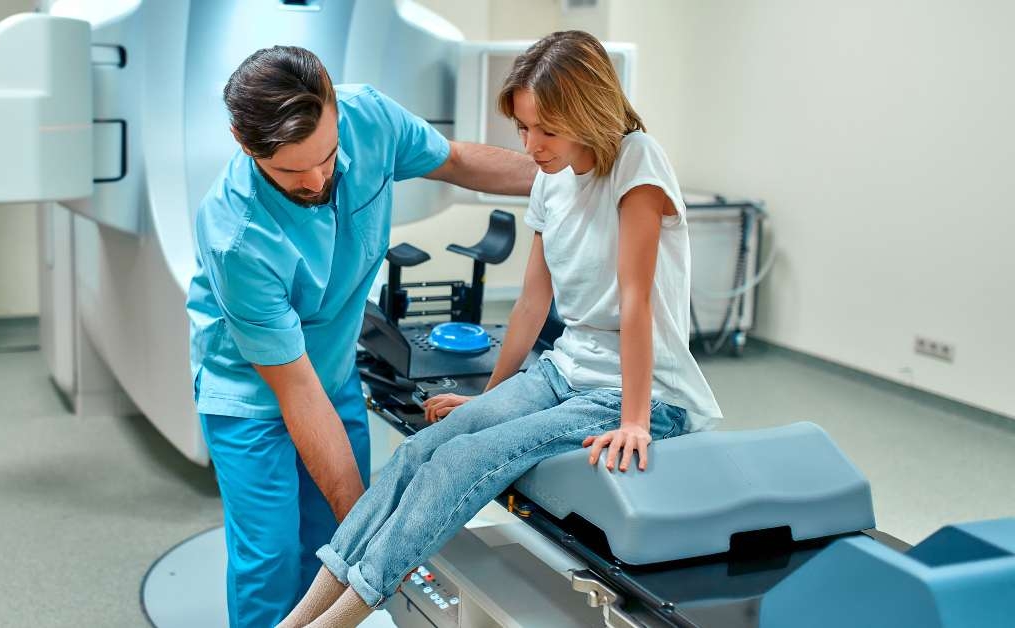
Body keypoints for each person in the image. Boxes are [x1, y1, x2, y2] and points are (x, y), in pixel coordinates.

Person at [279, 30, 723, 628]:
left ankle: (339, 620)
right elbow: (531, 307)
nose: (531, 146)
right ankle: (299, 618)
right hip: (563, 373)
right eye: (523, 129)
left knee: (462, 462)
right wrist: (488, 402)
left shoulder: (636, 164)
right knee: (420, 451)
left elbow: (638, 303)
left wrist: (638, 420)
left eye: (547, 130)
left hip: (637, 395)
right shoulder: (551, 180)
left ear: (588, 112)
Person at [186, 45, 537, 627]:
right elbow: (296, 392)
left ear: (334, 109)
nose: (319, 179)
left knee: (329, 544)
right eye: (292, 173)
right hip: (250, 392)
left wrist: (572, 171)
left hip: (333, 369)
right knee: (269, 559)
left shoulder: (369, 116)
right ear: (243, 143)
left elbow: (456, 161)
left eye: (326, 157)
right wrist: (378, 542)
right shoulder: (236, 236)